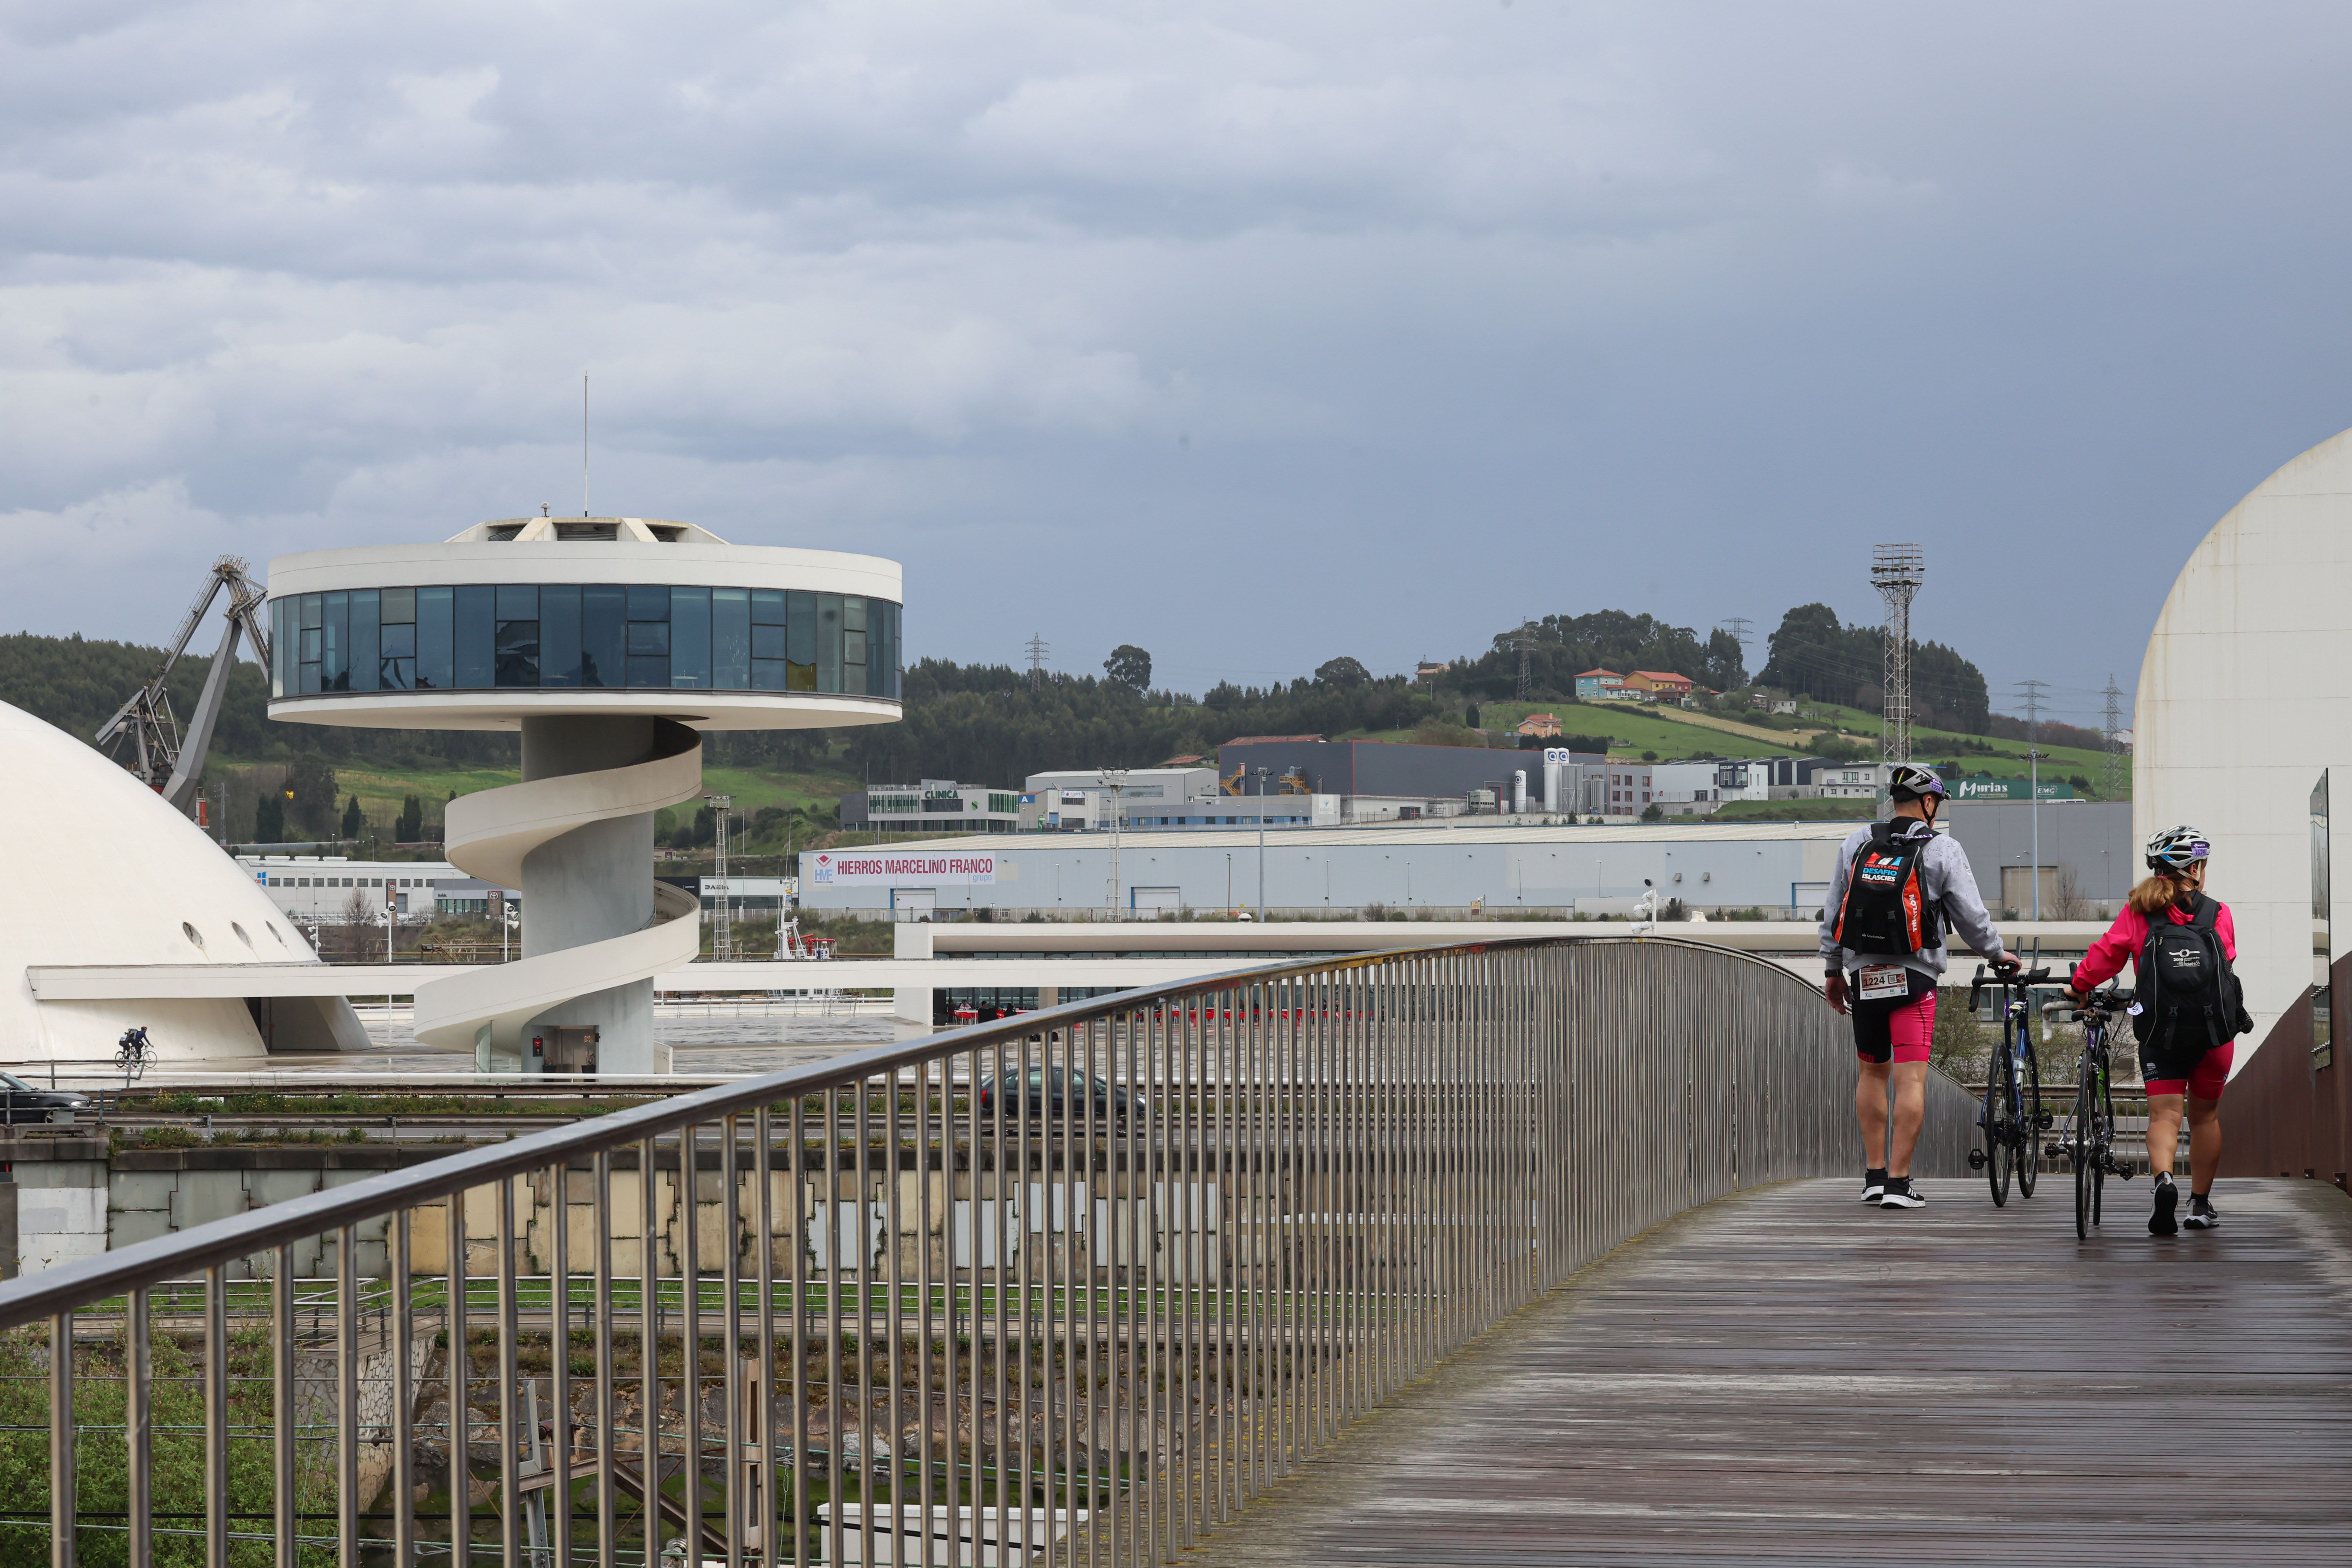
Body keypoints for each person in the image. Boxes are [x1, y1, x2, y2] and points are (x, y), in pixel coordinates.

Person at [1820, 764, 2016, 1209]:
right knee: (1911, 1079)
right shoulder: (1943, 848)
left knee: (1872, 1073)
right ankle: (1898, 1181)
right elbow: (1969, 916)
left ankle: (1872, 1176)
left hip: (1864, 976)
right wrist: (1996, 953)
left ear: (1894, 800)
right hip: (1916, 978)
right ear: (1928, 803)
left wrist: (1834, 970)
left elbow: (1834, 911)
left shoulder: (1858, 842)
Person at [2062, 826, 2247, 1235]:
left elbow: (2105, 956)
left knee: (2164, 1116)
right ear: (2195, 869)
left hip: (2161, 1034)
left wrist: (2078, 988)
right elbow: (2227, 959)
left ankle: (2164, 1181)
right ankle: (2200, 1205)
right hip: (2215, 1035)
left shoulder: (2139, 912)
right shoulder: (2219, 912)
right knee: (2205, 1118)